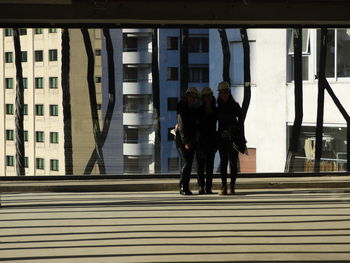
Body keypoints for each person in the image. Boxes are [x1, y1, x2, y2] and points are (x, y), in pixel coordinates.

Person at [217, 81, 244, 195]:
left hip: (233, 137)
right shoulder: (218, 107)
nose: (224, 94)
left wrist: (240, 136)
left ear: (229, 92)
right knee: (223, 163)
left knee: (233, 163)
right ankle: (224, 186)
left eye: (225, 92)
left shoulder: (235, 105)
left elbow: (241, 122)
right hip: (222, 138)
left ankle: (232, 186)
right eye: (222, 92)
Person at [176, 87, 199, 195]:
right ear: (187, 97)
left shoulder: (192, 109)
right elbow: (182, 126)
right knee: (187, 162)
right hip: (183, 140)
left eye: (194, 97)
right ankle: (183, 187)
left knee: (188, 163)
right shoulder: (183, 108)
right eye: (190, 96)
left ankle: (185, 187)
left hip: (190, 139)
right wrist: (185, 142)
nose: (192, 98)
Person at [196, 87, 217, 194]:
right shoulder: (199, 110)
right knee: (200, 166)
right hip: (201, 141)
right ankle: (201, 186)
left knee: (209, 166)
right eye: (206, 96)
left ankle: (208, 187)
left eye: (209, 96)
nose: (207, 98)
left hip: (211, 141)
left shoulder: (215, 110)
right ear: (203, 98)